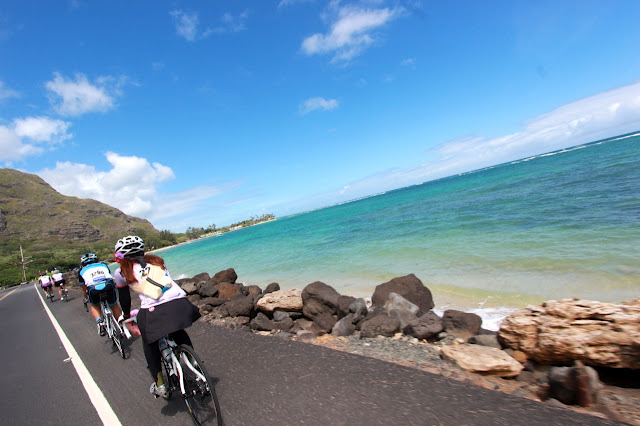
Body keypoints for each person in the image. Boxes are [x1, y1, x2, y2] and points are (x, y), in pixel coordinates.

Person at [114, 235, 200, 398]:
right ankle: (193, 363)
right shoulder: (158, 261)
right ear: (143, 251)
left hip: (154, 310)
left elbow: (124, 298)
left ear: (121, 257)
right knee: (176, 329)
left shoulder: (120, 273)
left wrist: (126, 316)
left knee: (149, 341)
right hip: (180, 303)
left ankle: (160, 384)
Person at [78, 252, 123, 336]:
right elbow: (109, 276)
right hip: (108, 286)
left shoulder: (81, 271)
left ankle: (100, 322)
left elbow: (84, 288)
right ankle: (122, 326)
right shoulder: (103, 265)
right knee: (114, 305)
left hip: (93, 289)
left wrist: (86, 298)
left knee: (95, 306)